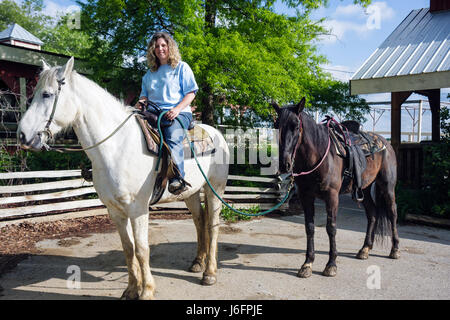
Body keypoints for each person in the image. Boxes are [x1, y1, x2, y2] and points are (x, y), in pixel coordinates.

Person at [136, 31, 198, 195]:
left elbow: (191, 92)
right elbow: (144, 96)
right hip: (153, 113)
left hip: (178, 113)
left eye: (163, 45)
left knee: (172, 135)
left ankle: (177, 178)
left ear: (169, 47)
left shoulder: (181, 67)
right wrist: (139, 105)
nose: (160, 49)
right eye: (156, 46)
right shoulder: (149, 74)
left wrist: (177, 109)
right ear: (152, 50)